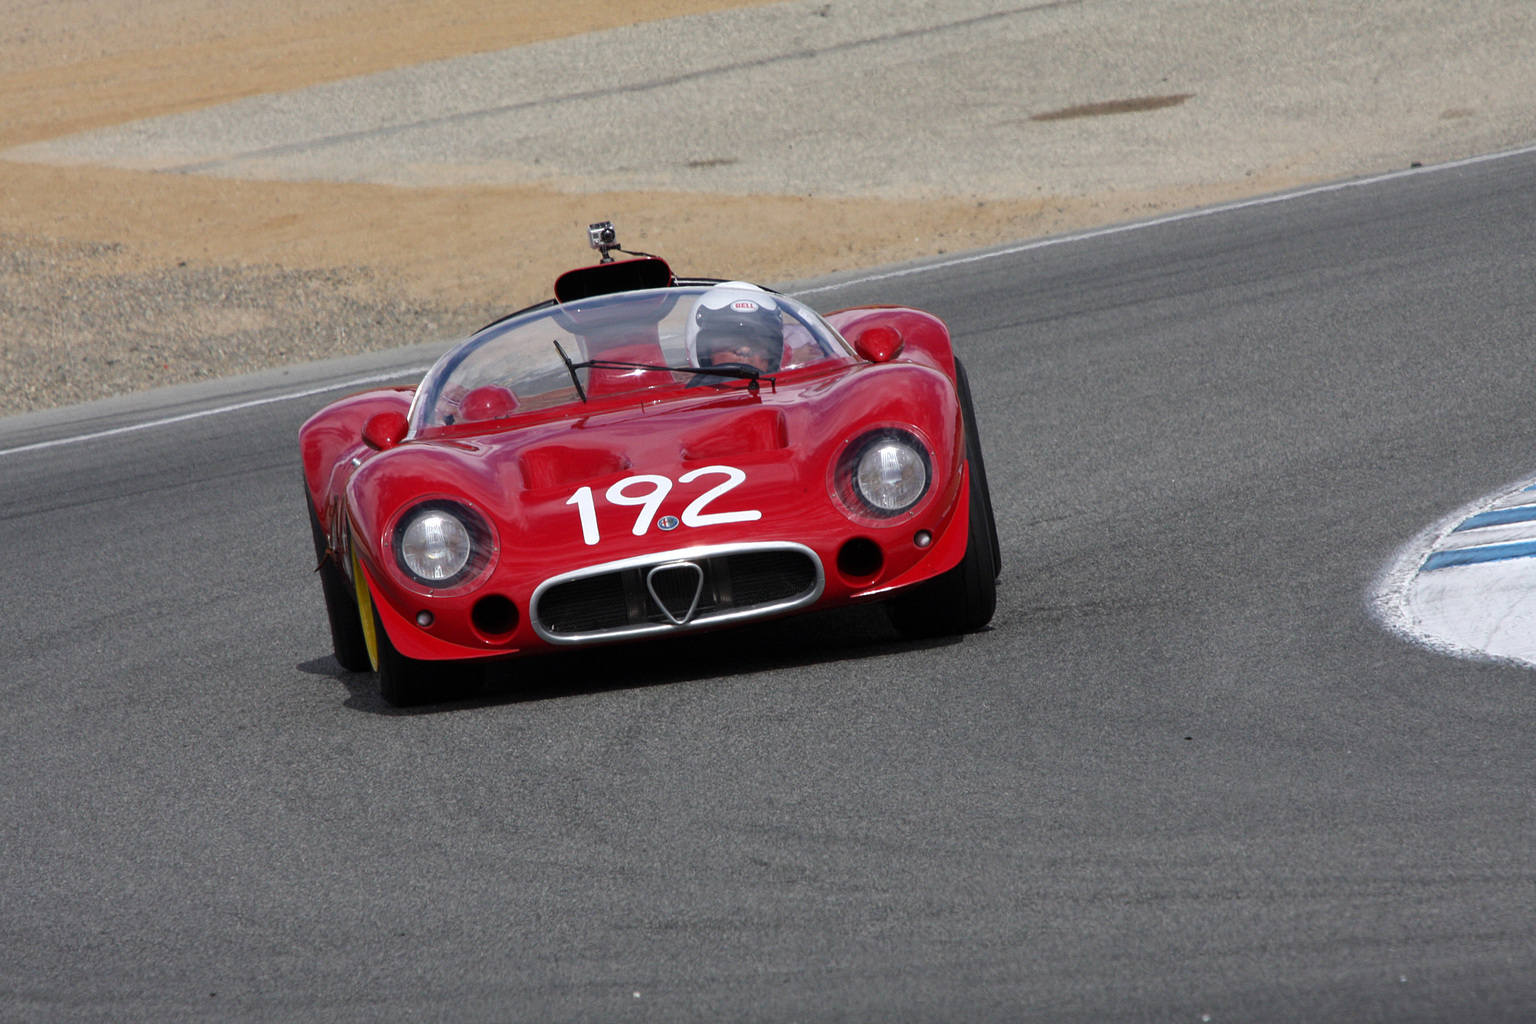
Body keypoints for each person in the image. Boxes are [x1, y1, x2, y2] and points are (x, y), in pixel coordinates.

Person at [685, 283, 785, 374]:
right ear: (703, 349)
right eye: (732, 339)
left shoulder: (792, 392)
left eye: (756, 340)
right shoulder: (682, 393)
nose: (745, 350)